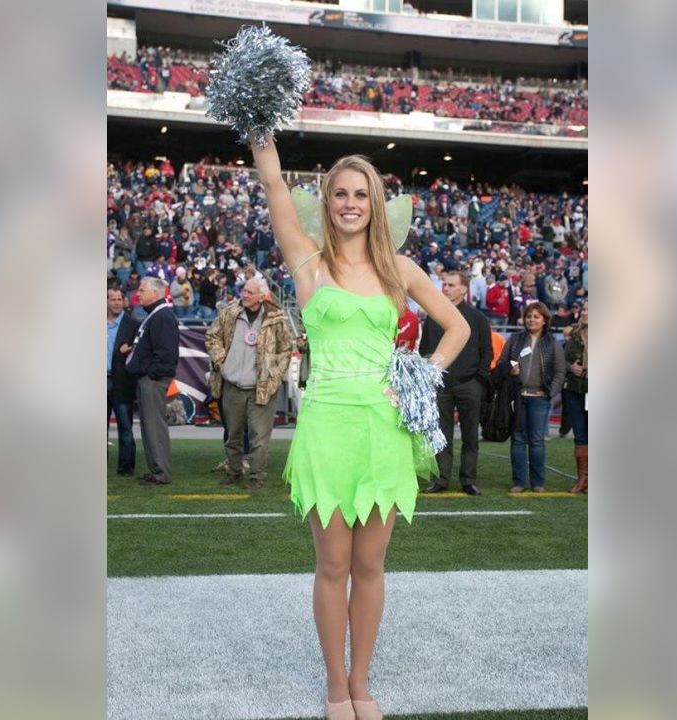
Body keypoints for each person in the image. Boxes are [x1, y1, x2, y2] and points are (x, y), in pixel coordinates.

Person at [251, 136, 469, 720]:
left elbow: (457, 328)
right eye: (341, 193)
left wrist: (423, 377)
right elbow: (273, 186)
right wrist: (260, 134)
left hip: (384, 428)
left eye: (362, 194)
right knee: (332, 565)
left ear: (375, 204)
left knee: (371, 565)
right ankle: (334, 688)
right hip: (326, 426)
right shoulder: (307, 261)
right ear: (327, 201)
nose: (350, 203)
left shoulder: (400, 268)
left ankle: (362, 682)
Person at [205, 277, 293, 490]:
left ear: (262, 296)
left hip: (261, 388)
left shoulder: (276, 318)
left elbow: (286, 349)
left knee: (258, 437)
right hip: (232, 385)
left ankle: (257, 476)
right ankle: (234, 471)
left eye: (250, 292)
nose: (245, 295)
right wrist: (221, 361)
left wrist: (274, 373)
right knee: (232, 435)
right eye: (244, 290)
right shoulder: (229, 313)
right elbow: (211, 336)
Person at [420, 270, 493, 496]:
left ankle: (468, 480)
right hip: (441, 385)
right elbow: (425, 350)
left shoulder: (478, 318)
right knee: (441, 435)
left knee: (471, 434)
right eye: (445, 284)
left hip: (470, 384)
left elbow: (486, 351)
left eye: (451, 285)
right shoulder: (433, 318)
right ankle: (441, 479)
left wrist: (478, 379)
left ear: (464, 289)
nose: (446, 288)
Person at [495, 301, 564, 493]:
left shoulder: (553, 343)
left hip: (540, 398)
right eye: (529, 316)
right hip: (517, 397)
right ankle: (518, 482)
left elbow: (560, 372)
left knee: (536, 441)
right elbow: (501, 363)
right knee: (517, 440)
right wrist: (510, 369)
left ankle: (538, 483)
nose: (531, 320)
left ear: (544, 320)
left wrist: (551, 392)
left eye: (536, 316)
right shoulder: (515, 339)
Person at [125, 276, 180, 485]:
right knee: (149, 427)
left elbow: (166, 354)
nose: (138, 294)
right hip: (149, 378)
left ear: (155, 293)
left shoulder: (162, 316)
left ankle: (161, 472)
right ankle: (156, 469)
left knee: (154, 427)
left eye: (142, 290)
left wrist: (150, 374)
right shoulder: (157, 315)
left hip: (153, 380)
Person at [107, 288, 139, 476]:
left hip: (122, 381)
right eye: (113, 299)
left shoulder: (133, 324)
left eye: (120, 299)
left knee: (125, 427)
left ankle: (126, 467)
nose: (117, 302)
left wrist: (131, 351)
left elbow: (140, 349)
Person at [564, 306, 588, 493]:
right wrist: (571, 367)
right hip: (576, 390)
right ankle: (583, 479)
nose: (585, 313)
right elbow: (564, 358)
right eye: (584, 310)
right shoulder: (575, 335)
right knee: (580, 436)